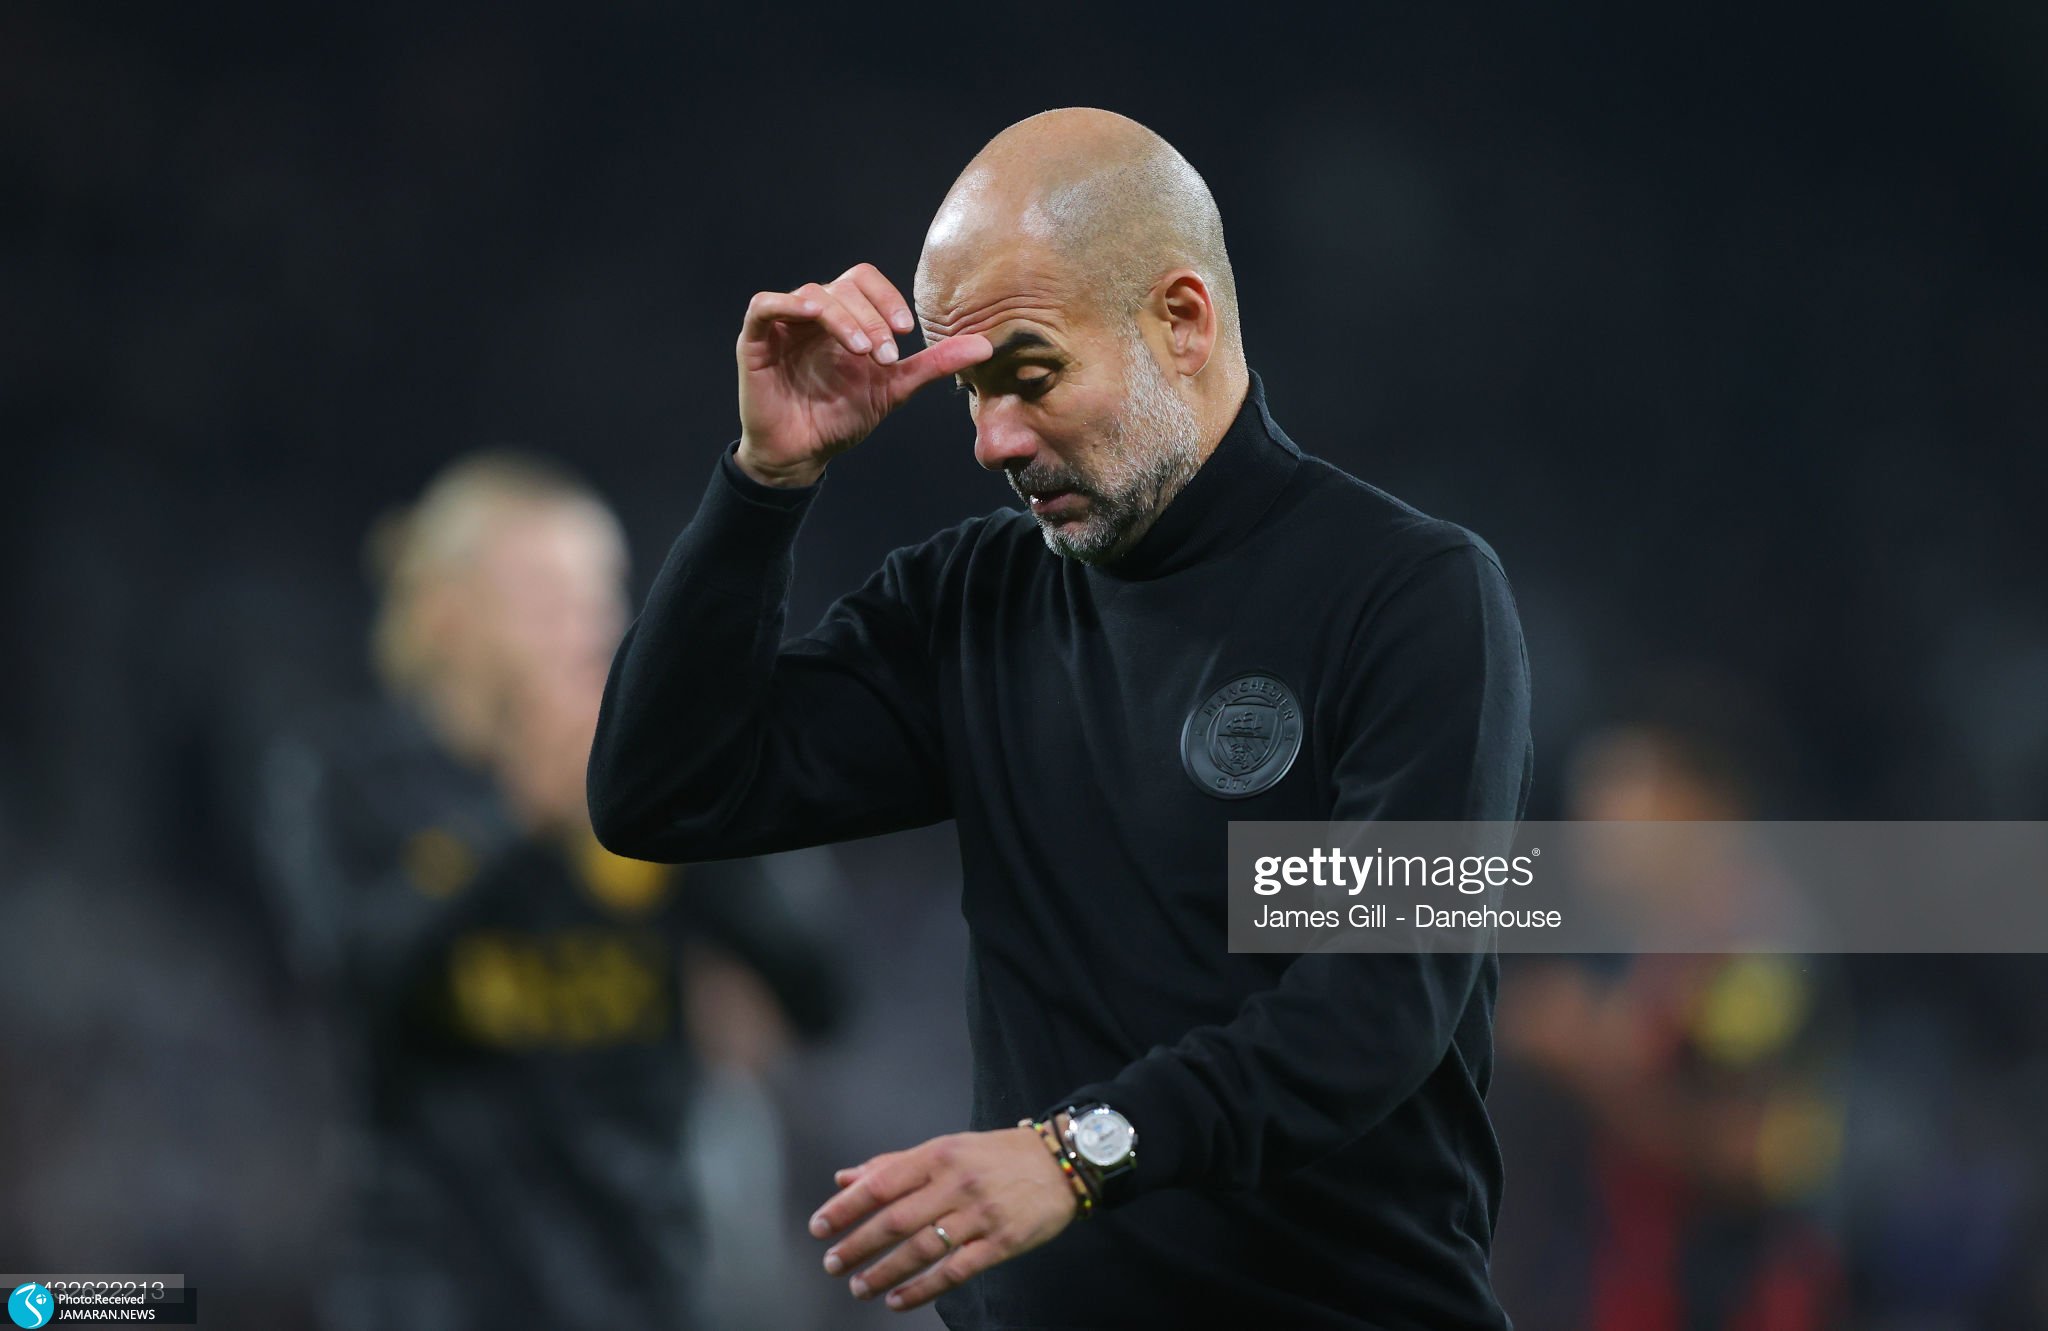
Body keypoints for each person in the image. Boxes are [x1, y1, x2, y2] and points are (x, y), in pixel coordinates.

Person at [588, 108, 1533, 1329]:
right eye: (969, 391)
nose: (993, 440)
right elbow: (664, 791)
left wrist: (1077, 1151)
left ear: (1180, 320)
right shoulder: (974, 605)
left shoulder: (1407, 596)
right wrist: (764, 482)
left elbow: (1373, 1006)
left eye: (1029, 374)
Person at [259, 452, 847, 1331]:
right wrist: (521, 822)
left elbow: (823, 994)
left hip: (641, 1291)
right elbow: (354, 987)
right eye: (547, 597)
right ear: (448, 615)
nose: (592, 628)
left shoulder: (643, 791)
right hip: (431, 1290)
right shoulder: (351, 781)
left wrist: (707, 805)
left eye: (604, 593)